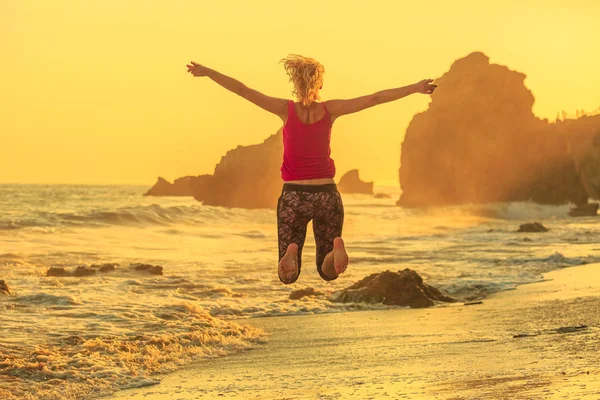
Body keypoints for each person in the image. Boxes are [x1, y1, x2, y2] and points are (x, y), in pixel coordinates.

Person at [186, 55, 436, 284]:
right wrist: (415, 88)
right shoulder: (330, 110)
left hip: (294, 196)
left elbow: (243, 90)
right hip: (327, 194)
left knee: (287, 278)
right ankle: (334, 249)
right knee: (327, 272)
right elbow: (374, 99)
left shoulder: (286, 110)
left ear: (295, 82)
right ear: (320, 85)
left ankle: (291, 254)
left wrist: (209, 72)